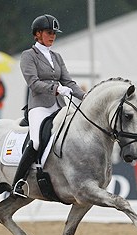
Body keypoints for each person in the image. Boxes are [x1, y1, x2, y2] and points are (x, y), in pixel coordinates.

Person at [12, 14, 86, 197]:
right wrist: (55, 89)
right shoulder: (28, 56)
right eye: (48, 32)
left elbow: (68, 81)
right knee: (36, 141)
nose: (52, 36)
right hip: (39, 105)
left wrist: (86, 97)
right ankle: (18, 183)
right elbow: (33, 83)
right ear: (37, 34)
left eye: (54, 33)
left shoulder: (57, 56)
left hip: (59, 106)